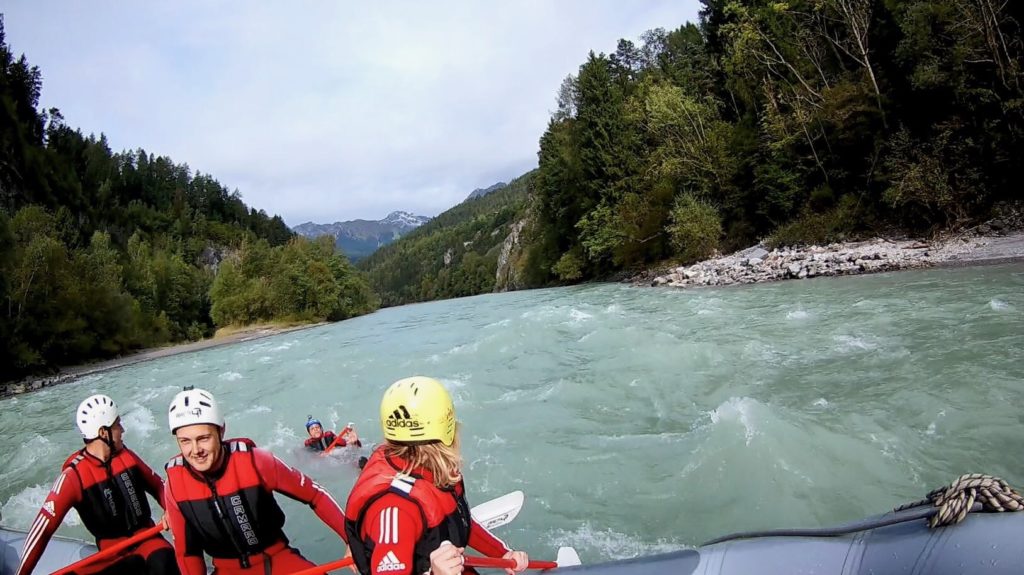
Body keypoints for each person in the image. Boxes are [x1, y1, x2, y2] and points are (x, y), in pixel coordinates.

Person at [343, 376, 529, 575]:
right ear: (448, 430)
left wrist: (502, 554)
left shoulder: (436, 472)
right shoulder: (396, 510)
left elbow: (454, 519)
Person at [162, 387, 347, 575]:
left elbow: (316, 495)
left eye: (203, 438)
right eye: (185, 441)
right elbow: (188, 553)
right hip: (226, 569)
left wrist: (351, 541)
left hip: (276, 559)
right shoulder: (174, 485)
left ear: (221, 431)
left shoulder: (256, 461)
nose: (195, 450)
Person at [16, 394, 178, 575]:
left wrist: (170, 509)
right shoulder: (73, 476)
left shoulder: (127, 457)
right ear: (103, 432)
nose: (122, 429)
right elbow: (42, 530)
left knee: (164, 561)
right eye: (117, 424)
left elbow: (160, 486)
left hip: (148, 541)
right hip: (111, 555)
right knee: (130, 566)